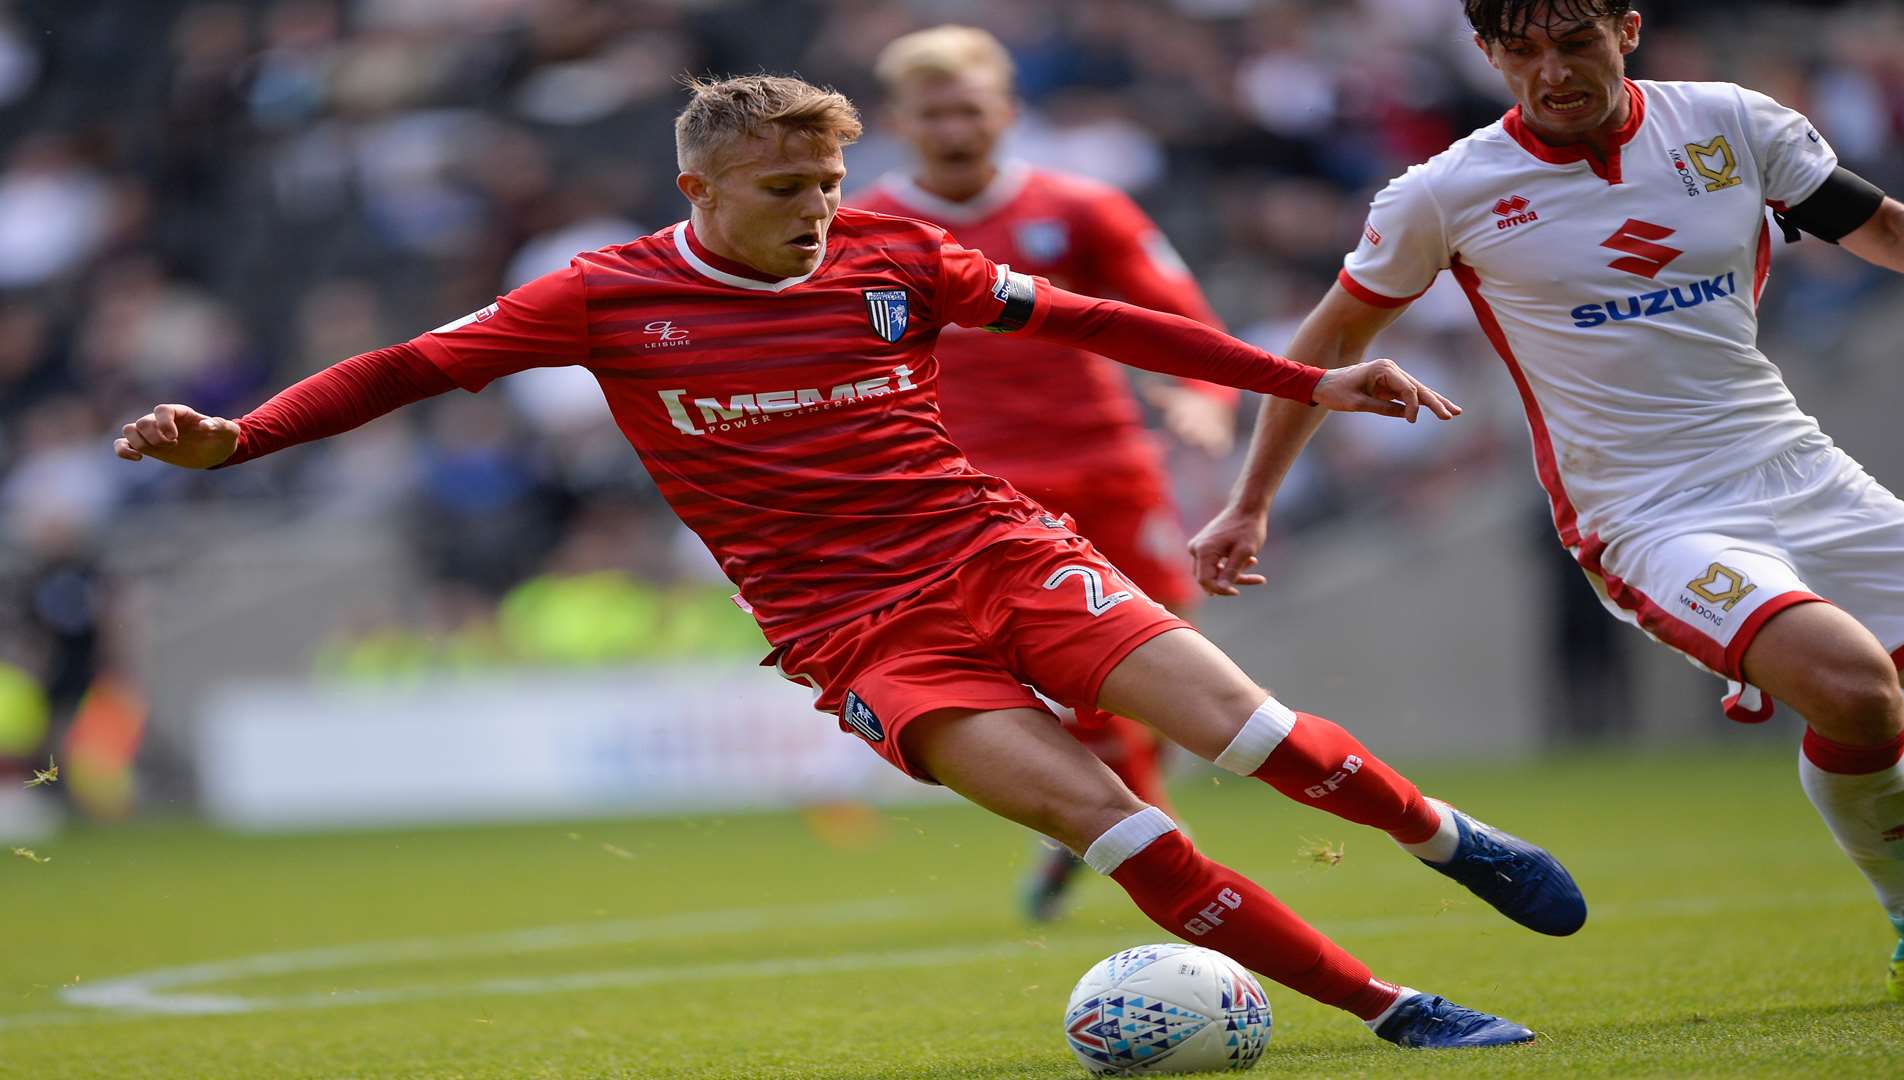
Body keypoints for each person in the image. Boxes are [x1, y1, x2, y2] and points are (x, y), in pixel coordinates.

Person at [116, 73, 1580, 1050]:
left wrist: (1303, 381)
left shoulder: (894, 256)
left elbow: (1092, 322)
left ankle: (1448, 841)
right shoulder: (606, 298)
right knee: (1118, 832)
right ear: (700, 186)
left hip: (997, 547)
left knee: (1246, 734)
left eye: (826, 180)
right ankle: (1393, 1011)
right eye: (782, 191)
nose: (816, 210)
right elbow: (403, 370)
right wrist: (236, 442)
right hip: (860, 638)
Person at [1188, 0, 1904, 1003]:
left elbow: (1880, 229)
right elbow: (1325, 347)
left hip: (1801, 469)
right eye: (1521, 50)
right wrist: (1250, 501)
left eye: (1574, 41)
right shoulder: (1446, 192)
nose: (1553, 71)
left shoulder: (1733, 123)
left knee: (1868, 692)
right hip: (1648, 514)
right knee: (1850, 684)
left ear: (1626, 29)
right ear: (1487, 54)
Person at [848, 25, 1235, 922]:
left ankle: (1099, 826)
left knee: (1166, 665)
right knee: (1076, 678)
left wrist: (1199, 398)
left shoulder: (1084, 208)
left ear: (1008, 111)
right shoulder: (861, 228)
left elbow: (1175, 316)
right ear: (900, 122)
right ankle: (1151, 844)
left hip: (1106, 464)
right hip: (970, 491)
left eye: (970, 108)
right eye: (933, 112)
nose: (954, 128)